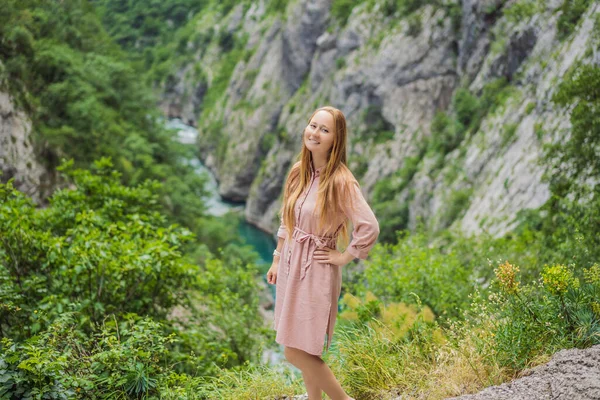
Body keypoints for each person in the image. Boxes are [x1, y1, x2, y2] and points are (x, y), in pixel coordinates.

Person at [266, 106, 380, 400]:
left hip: (316, 268)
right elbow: (285, 217)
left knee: (293, 350)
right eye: (312, 125)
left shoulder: (341, 181)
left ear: (335, 139)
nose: (314, 133)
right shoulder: (298, 171)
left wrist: (344, 256)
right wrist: (277, 258)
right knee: (302, 346)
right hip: (291, 262)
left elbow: (369, 225)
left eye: (324, 129)